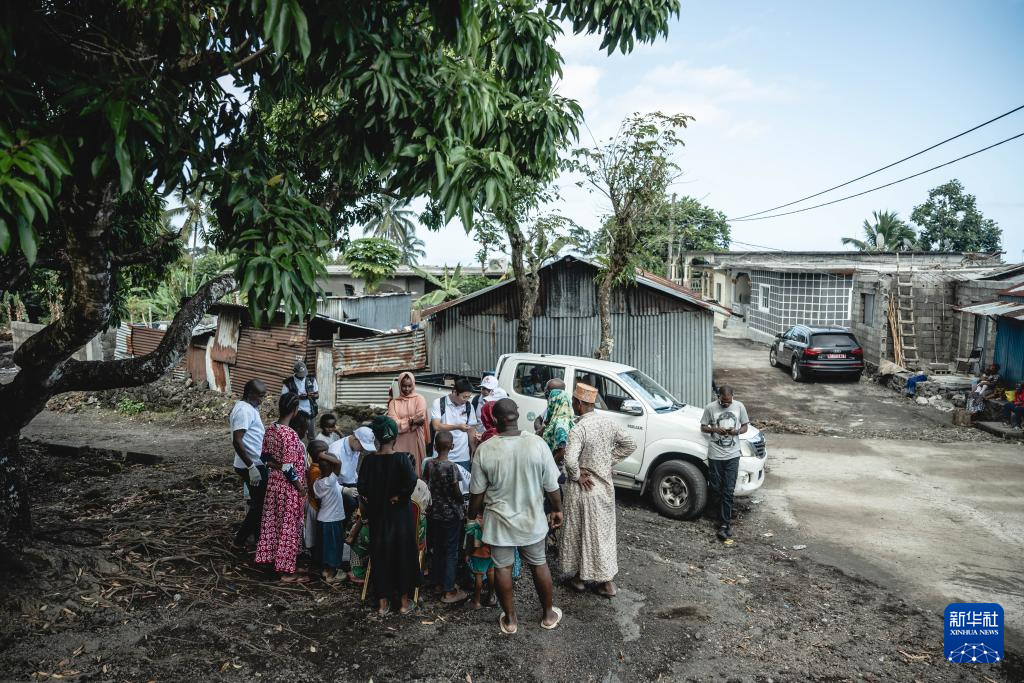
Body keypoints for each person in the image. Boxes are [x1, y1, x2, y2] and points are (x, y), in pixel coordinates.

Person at [468, 398, 563, 634]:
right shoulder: (537, 444)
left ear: (495, 419)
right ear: (517, 414)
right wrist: (557, 509)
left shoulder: (486, 449)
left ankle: (510, 621)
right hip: (531, 520)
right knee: (538, 563)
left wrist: (472, 516)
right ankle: (548, 615)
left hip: (499, 522)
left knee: (502, 568)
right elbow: (552, 485)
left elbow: (477, 494)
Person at [558, 382, 636, 598]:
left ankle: (590, 580)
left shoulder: (579, 428)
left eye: (574, 402)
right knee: (601, 534)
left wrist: (576, 475)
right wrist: (606, 462)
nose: (573, 405)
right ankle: (595, 579)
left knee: (581, 533)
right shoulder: (608, 422)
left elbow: (570, 461)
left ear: (580, 404)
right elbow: (630, 444)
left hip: (584, 489)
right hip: (604, 489)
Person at [358, 416, 421, 616]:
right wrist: (399, 496)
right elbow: (412, 480)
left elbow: (362, 488)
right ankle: (404, 603)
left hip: (379, 518)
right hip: (400, 519)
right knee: (402, 556)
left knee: (380, 556)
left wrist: (375, 500)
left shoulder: (369, 461)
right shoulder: (402, 459)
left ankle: (383, 605)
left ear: (375, 437)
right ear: (395, 437)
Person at [255, 394, 308, 582]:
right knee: (288, 527)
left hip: (273, 485)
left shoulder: (270, 429)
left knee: (274, 523)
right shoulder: (290, 435)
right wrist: (301, 488)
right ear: (294, 411)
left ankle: (275, 561)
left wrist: (276, 466)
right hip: (288, 488)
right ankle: (286, 572)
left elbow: (264, 459)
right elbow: (289, 468)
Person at [422, 431, 469, 604]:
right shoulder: (452, 467)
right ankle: (449, 591)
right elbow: (456, 490)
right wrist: (461, 501)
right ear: (452, 447)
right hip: (451, 515)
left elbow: (425, 484)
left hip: (434, 513)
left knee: (438, 549)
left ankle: (437, 583)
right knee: (451, 551)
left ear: (434, 446)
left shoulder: (429, 464)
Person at [700, 384, 749, 543]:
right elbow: (703, 427)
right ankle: (716, 514)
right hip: (715, 455)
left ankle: (724, 524)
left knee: (728, 490)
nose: (726, 404)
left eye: (728, 401)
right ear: (718, 397)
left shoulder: (740, 406)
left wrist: (737, 432)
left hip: (733, 455)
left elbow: (745, 427)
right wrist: (714, 430)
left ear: (733, 396)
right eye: (723, 401)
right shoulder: (710, 408)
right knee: (715, 488)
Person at [230, 379, 268, 548]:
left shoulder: (250, 408)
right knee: (260, 505)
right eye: (260, 396)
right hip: (250, 465)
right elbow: (237, 441)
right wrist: (252, 467)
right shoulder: (243, 411)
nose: (262, 399)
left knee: (258, 503)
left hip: (254, 462)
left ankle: (256, 539)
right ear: (250, 394)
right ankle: (240, 541)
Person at [430, 378, 478, 474]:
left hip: (462, 455)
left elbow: (471, 430)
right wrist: (457, 427)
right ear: (455, 392)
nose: (466, 400)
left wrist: (473, 449)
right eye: (464, 397)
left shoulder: (469, 407)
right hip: (441, 454)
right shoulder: (439, 403)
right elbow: (436, 426)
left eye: (468, 397)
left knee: (463, 486)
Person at [328, 426, 377, 518]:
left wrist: (359, 482)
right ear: (355, 439)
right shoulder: (336, 451)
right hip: (336, 486)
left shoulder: (355, 447)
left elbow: (352, 469)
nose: (363, 450)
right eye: (362, 446)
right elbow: (328, 479)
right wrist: (344, 490)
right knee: (351, 503)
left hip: (350, 483)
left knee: (368, 498)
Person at [313, 451, 346, 584]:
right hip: (332, 520)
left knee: (325, 547)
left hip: (323, 519)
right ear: (331, 468)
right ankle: (331, 575)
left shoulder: (318, 482)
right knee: (333, 547)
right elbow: (338, 463)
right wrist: (322, 455)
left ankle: (325, 570)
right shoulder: (330, 481)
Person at [388, 372, 430, 475]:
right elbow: (393, 424)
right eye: (404, 386)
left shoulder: (419, 399)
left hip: (415, 439)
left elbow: (421, 419)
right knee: (399, 470)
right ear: (399, 386)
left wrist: (401, 423)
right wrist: (411, 421)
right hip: (398, 442)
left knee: (415, 470)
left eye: (409, 386)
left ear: (413, 385)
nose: (406, 389)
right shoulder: (394, 402)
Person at [282, 361, 319, 437]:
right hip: (296, 413)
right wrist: (298, 397)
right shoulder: (288, 382)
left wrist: (311, 396)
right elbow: (284, 398)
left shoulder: (311, 379)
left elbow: (317, 395)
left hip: (310, 412)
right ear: (294, 372)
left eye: (304, 374)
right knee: (295, 434)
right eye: (300, 375)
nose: (302, 376)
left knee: (311, 435)